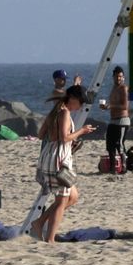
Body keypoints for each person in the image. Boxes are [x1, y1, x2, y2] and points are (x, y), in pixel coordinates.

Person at [30, 85, 96, 243]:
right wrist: (82, 131)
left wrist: (60, 140)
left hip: (50, 156)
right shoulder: (65, 112)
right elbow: (65, 137)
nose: (81, 106)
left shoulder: (55, 111)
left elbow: (41, 135)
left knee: (73, 196)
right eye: (80, 102)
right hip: (59, 160)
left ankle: (39, 223)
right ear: (73, 99)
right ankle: (50, 239)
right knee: (62, 201)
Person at [99, 66, 130, 179]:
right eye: (117, 76)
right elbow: (113, 104)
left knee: (119, 144)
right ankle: (113, 168)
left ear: (123, 77)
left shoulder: (123, 88)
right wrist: (105, 107)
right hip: (113, 120)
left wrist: (110, 106)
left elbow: (124, 106)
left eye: (121, 76)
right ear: (113, 77)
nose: (119, 78)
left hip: (122, 120)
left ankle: (125, 167)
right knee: (110, 144)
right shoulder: (113, 88)